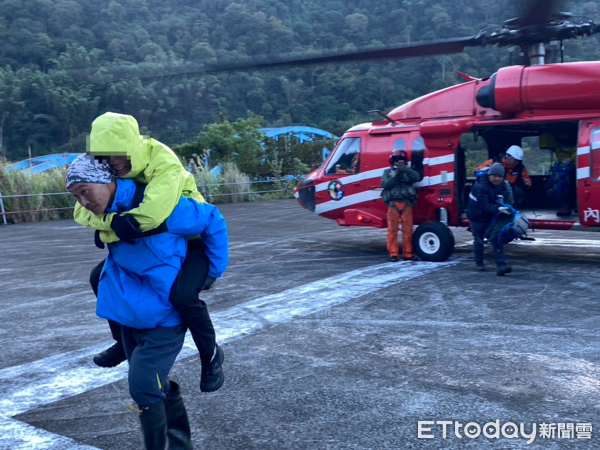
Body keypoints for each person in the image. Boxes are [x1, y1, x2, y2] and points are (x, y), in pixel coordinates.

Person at [65, 155, 227, 448]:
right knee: (155, 386)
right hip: (128, 314)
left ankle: (211, 356)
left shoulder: (162, 207)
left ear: (107, 181)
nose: (82, 202)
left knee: (142, 386)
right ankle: (178, 444)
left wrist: (212, 271)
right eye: (76, 196)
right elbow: (88, 216)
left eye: (85, 191)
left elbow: (212, 218)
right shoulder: (105, 213)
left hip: (164, 317)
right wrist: (106, 228)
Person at [74, 112, 225, 393]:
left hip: (192, 237)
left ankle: (211, 356)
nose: (114, 163)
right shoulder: (106, 168)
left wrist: (214, 270)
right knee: (100, 277)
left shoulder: (163, 160)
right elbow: (82, 211)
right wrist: (109, 222)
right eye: (105, 158)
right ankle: (122, 341)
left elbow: (150, 217)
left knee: (182, 295)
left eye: (118, 155)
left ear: (132, 145)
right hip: (160, 239)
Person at [467, 163, 512, 276]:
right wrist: (499, 208)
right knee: (479, 238)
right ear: (489, 175)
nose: (497, 179)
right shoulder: (481, 186)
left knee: (496, 237)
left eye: (500, 177)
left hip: (491, 213)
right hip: (477, 215)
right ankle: (479, 262)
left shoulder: (502, 184)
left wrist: (503, 197)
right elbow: (484, 207)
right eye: (494, 176)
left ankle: (501, 265)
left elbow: (505, 192)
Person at [381, 150, 420, 262]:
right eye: (398, 161)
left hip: (406, 203)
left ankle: (408, 253)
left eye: (402, 161)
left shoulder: (409, 172)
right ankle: (393, 254)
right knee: (392, 230)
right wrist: (396, 176)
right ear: (393, 161)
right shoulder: (387, 172)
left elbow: (416, 177)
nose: (400, 163)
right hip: (393, 204)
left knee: (408, 230)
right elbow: (385, 184)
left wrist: (406, 170)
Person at [540, 133, 576, 217]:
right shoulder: (557, 146)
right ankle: (566, 205)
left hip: (571, 168)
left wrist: (570, 159)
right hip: (563, 167)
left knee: (564, 185)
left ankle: (566, 206)